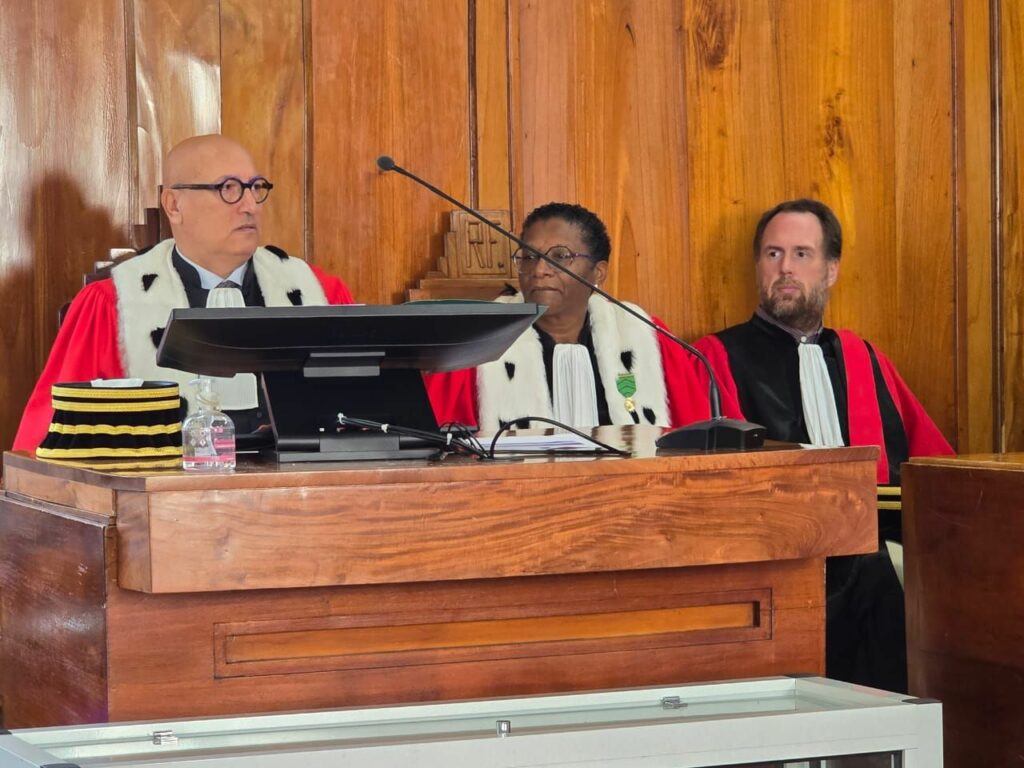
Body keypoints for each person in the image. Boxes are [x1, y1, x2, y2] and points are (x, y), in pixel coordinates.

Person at [693, 198, 954, 692]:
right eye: (773, 254)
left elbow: (932, 463)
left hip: (874, 552)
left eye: (802, 254)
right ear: (758, 267)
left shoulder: (864, 357)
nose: (785, 269)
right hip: (778, 557)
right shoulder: (716, 357)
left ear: (831, 270)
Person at [14, 135, 354, 450]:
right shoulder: (112, 306)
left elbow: (365, 420)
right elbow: (53, 440)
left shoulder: (319, 293)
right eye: (229, 188)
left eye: (255, 187)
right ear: (174, 205)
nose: (250, 204)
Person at [425, 202, 708, 431]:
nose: (539, 270)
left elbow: (696, 441)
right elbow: (440, 446)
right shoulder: (478, 343)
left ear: (598, 272)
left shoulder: (646, 336)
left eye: (560, 256)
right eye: (529, 257)